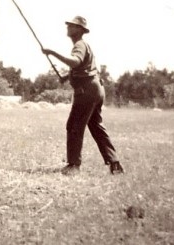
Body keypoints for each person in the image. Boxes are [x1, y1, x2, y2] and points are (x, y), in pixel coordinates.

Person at [41, 16, 124, 175]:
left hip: (86, 92)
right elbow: (84, 68)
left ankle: (74, 165)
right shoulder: (84, 45)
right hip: (96, 89)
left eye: (72, 25)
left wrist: (51, 52)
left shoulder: (79, 45)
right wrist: (67, 77)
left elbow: (75, 62)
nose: (68, 27)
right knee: (96, 126)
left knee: (74, 126)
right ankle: (115, 163)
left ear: (79, 30)